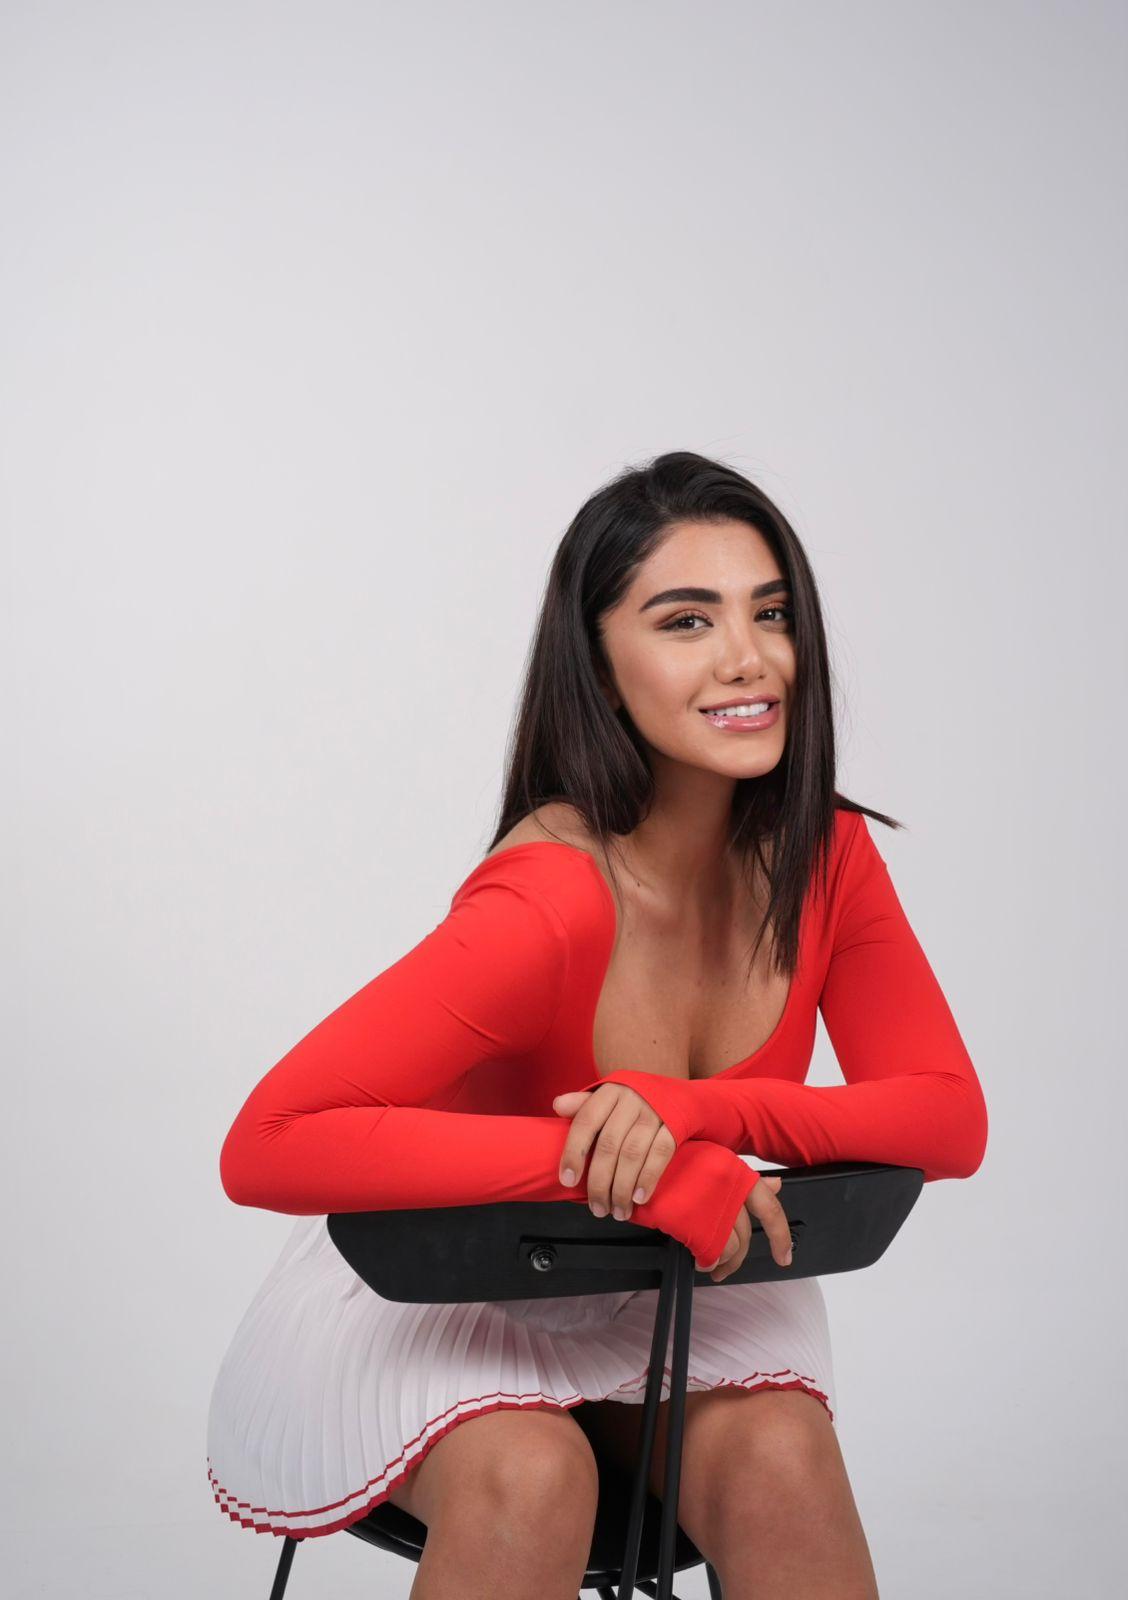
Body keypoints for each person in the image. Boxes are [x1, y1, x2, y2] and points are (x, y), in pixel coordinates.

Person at [208, 450, 988, 1600]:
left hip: (660, 1283)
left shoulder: (825, 856)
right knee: (532, 1476)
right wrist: (628, 1167)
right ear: (601, 667)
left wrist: (699, 1114)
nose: (749, 657)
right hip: (443, 1293)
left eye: (771, 612)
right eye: (687, 620)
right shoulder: (550, 898)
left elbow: (947, 1119)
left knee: (782, 1459)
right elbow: (270, 1140)